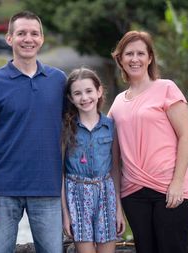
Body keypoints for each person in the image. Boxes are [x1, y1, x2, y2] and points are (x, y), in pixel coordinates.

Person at [0, 11, 67, 253]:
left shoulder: (59, 81)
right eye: (21, 33)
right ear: (9, 38)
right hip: (1, 191)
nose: (28, 39)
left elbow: (75, 130)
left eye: (34, 33)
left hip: (48, 189)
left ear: (42, 39)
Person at [108, 30, 188, 253]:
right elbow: (113, 160)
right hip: (133, 194)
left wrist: (177, 182)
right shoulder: (117, 103)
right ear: (120, 59)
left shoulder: (166, 88)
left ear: (150, 58)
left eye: (141, 53)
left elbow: (186, 135)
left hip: (170, 190)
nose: (135, 59)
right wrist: (117, 202)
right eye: (129, 54)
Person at [61, 68, 125, 253]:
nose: (84, 97)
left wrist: (118, 209)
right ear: (71, 98)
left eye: (89, 91)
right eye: (77, 93)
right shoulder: (66, 128)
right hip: (76, 194)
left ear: (99, 92)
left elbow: (114, 169)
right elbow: (61, 173)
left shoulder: (110, 126)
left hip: (106, 194)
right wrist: (65, 214)